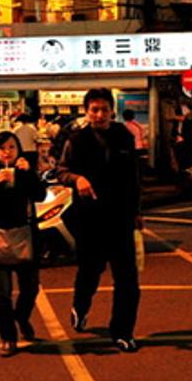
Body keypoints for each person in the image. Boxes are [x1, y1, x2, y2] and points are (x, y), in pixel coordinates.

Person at [57, 88, 142, 352]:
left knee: (128, 279)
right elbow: (61, 171)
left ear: (112, 111)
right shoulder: (76, 140)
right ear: (86, 111)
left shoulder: (124, 136)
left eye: (104, 109)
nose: (99, 114)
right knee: (90, 272)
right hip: (89, 219)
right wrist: (77, 179)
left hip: (120, 217)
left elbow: (133, 176)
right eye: (94, 109)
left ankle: (123, 332)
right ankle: (80, 306)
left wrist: (137, 211)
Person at [0, 131, 46, 357]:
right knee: (2, 293)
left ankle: (21, 317)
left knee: (30, 288)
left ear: (18, 150)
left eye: (11, 147)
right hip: (0, 238)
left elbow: (39, 195)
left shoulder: (24, 172)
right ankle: (8, 338)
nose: (7, 152)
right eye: (2, 148)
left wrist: (27, 175)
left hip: (25, 237)